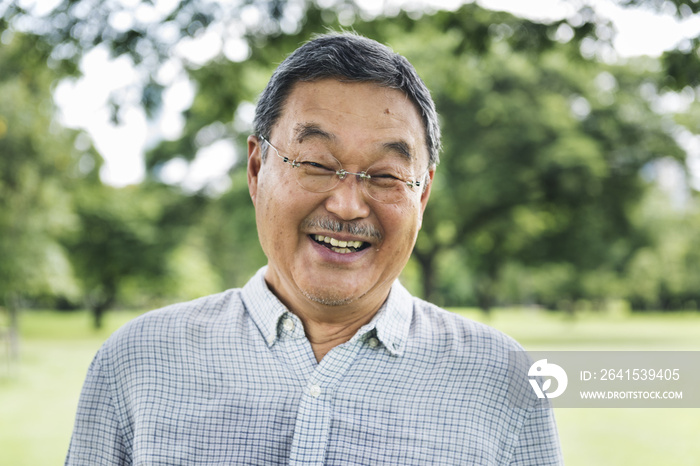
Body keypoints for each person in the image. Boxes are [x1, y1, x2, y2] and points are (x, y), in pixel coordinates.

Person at [65, 32, 563, 465]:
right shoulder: (137, 363)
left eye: (386, 176)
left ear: (422, 193)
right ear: (257, 169)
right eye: (316, 164)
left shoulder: (504, 382)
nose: (347, 206)